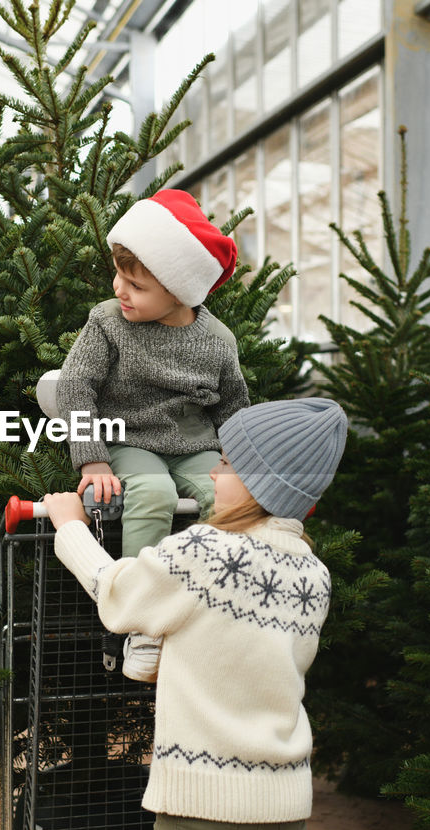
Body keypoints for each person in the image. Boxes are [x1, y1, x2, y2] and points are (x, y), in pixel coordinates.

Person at [42, 397, 348, 830]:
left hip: (206, 809)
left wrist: (69, 526)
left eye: (226, 463)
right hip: (286, 812)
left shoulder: (206, 550)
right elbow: (242, 656)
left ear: (256, 483)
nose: (212, 473)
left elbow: (119, 594)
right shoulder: (313, 574)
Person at [55, 188, 250, 682]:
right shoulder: (106, 322)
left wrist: (241, 462)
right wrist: (91, 458)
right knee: (153, 492)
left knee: (223, 499)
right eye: (119, 275)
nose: (120, 289)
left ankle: (215, 616)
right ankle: (143, 624)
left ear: (181, 292)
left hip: (194, 446)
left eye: (136, 285)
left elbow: (232, 406)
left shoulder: (217, 341)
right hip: (128, 442)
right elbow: (76, 385)